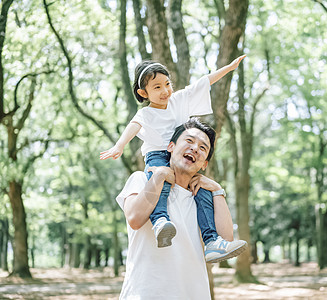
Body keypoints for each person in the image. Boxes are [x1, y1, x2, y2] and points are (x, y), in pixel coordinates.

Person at [100, 56, 246, 262]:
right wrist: (119, 145)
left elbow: (204, 81)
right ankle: (160, 220)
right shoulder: (146, 114)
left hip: (177, 154)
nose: (165, 91)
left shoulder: (178, 100)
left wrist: (229, 68)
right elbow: (133, 126)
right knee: (163, 180)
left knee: (202, 189)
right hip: (158, 155)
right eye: (157, 87)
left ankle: (212, 241)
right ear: (144, 93)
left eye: (167, 84)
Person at [116, 118, 246, 299]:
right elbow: (135, 219)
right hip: (145, 293)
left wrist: (217, 190)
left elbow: (225, 239)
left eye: (203, 148)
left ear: (204, 164)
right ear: (170, 147)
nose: (195, 149)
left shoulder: (205, 200)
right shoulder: (142, 179)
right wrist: (160, 175)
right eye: (189, 141)